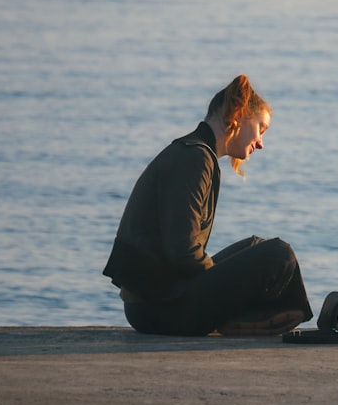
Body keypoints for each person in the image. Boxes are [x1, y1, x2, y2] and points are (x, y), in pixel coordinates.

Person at [103, 75, 312, 336]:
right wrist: (221, 282)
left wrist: (221, 281)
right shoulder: (195, 158)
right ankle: (257, 317)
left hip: (156, 302)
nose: (260, 143)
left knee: (256, 245)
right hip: (158, 310)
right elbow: (183, 251)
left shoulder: (194, 152)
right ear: (240, 114)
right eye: (261, 129)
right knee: (280, 253)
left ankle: (253, 318)